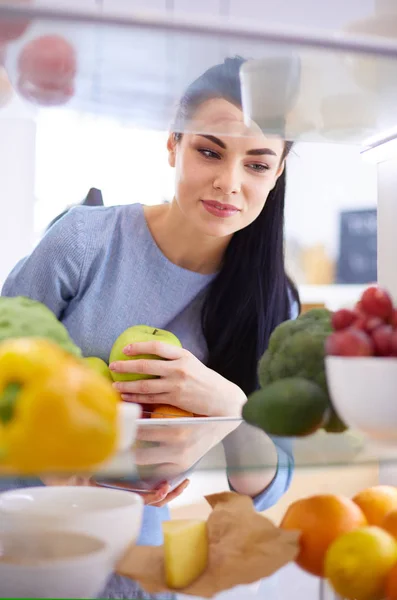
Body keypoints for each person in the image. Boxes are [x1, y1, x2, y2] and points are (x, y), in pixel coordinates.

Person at [1, 56, 300, 598]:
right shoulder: (85, 242)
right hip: (21, 529)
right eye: (209, 151)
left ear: (277, 173)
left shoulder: (274, 301)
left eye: (257, 165)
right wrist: (62, 469)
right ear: (172, 145)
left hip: (131, 556)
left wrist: (232, 407)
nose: (228, 182)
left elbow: (262, 486)